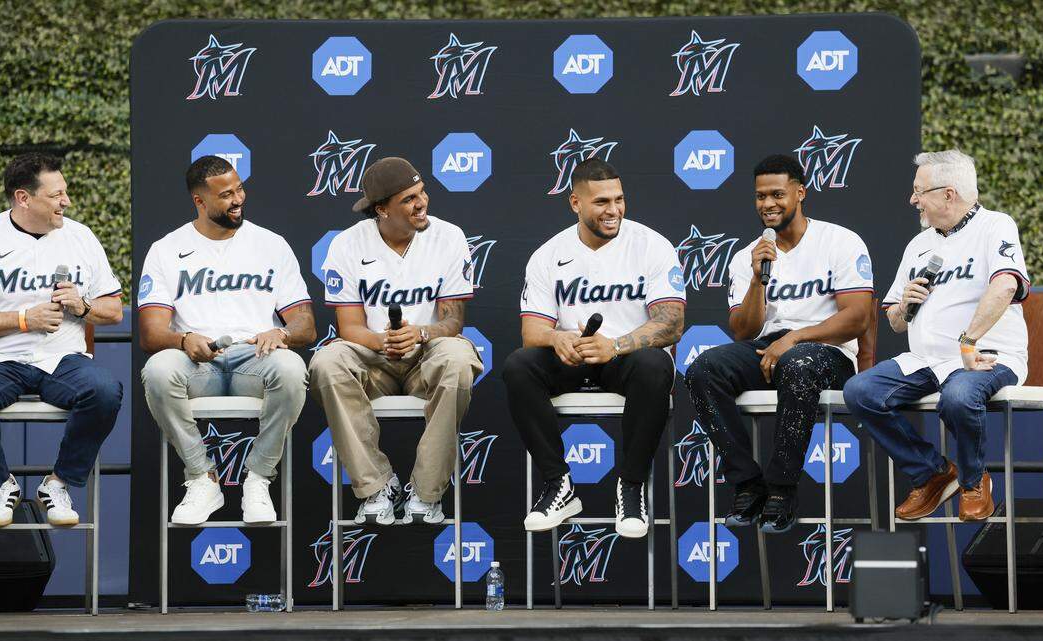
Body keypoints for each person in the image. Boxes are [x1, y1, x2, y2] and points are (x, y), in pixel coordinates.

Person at [683, 154, 873, 534]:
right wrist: (757, 280)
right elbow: (743, 330)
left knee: (798, 362)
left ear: (800, 193)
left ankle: (781, 489)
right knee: (704, 369)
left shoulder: (839, 241)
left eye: (777, 194)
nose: (767, 204)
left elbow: (858, 317)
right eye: (760, 197)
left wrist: (795, 338)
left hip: (828, 352)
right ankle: (748, 482)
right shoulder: (748, 256)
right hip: (770, 348)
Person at [0, 153, 124, 527]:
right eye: (56, 195)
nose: (66, 202)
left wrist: (83, 306)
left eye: (65, 192)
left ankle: (58, 483)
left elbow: (115, 310)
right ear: (24, 198)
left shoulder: (81, 237)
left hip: (62, 359)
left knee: (105, 391)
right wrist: (23, 319)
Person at [503, 158, 685, 539]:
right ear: (576, 204)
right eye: (602, 202)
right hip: (574, 357)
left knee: (655, 364)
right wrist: (558, 339)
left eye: (619, 200)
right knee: (520, 365)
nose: (614, 210)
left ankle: (631, 486)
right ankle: (558, 484)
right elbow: (531, 330)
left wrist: (615, 345)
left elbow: (671, 323)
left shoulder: (652, 245)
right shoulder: (548, 254)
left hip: (625, 359)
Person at [844, 149, 1029, 522]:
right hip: (926, 361)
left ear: (949, 193)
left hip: (987, 354)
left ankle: (975, 481)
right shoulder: (920, 244)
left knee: (958, 396)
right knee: (861, 392)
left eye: (919, 191)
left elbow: (1006, 285)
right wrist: (905, 304)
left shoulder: (996, 225)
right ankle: (931, 474)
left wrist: (968, 341)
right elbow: (895, 320)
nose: (913, 200)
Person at [138, 156, 315, 525]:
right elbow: (151, 333)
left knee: (291, 367)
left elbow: (306, 325)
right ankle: (202, 477)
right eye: (226, 195)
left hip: (255, 357)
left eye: (239, 189)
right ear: (200, 202)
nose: (238, 199)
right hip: (197, 362)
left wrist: (280, 331)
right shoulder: (166, 249)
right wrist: (183, 338)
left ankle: (259, 477)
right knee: (157, 371)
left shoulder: (272, 244)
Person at [308, 157, 483, 525]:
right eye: (409, 199)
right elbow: (349, 327)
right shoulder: (347, 244)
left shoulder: (448, 236)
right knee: (327, 362)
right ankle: (376, 486)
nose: (422, 204)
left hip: (427, 356)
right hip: (375, 358)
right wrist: (384, 341)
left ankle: (426, 492)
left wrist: (420, 333)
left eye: (422, 193)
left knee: (457, 358)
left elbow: (453, 320)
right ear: (381, 209)